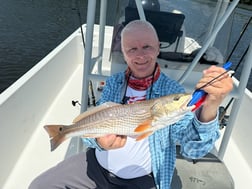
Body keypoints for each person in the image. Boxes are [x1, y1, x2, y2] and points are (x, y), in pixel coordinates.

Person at [29, 20, 233, 189]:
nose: (140, 55)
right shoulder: (114, 82)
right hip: (97, 168)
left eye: (147, 47)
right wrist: (100, 143)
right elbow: (94, 134)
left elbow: (193, 151)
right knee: (39, 186)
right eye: (132, 49)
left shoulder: (173, 92)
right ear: (124, 54)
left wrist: (211, 107)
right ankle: (62, 133)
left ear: (157, 49)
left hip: (142, 181)